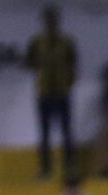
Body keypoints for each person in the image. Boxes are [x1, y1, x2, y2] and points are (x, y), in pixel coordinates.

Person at [28, 5, 80, 178]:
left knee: (67, 132)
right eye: (47, 20)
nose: (50, 23)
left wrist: (70, 82)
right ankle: (45, 169)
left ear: (58, 21)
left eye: (53, 19)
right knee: (44, 133)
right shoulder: (36, 42)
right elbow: (29, 63)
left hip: (62, 92)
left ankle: (70, 167)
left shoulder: (67, 42)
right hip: (43, 92)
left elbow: (74, 63)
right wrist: (37, 63)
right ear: (43, 22)